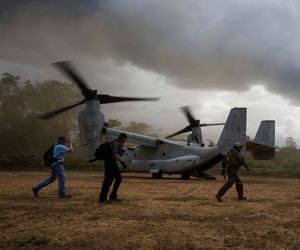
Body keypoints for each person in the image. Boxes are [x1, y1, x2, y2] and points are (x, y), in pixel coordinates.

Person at [99, 133, 127, 204]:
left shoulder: (118, 143)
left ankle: (113, 196)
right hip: (110, 164)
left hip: (113, 163)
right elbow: (115, 154)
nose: (125, 140)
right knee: (108, 181)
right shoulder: (116, 144)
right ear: (123, 138)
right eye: (125, 139)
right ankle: (102, 198)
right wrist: (122, 162)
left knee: (118, 178)